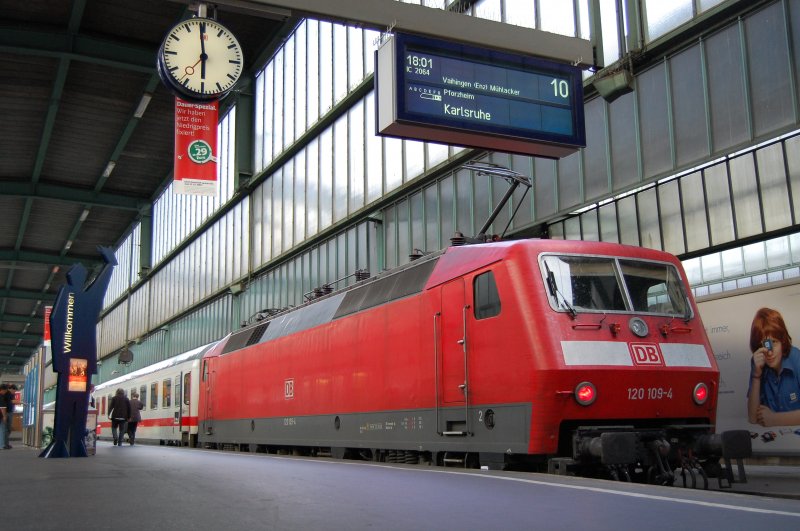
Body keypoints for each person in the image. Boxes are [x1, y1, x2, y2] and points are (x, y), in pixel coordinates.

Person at [747, 307, 800, 427]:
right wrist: (756, 376)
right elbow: (753, 418)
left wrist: (774, 419)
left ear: (783, 342)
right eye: (764, 345)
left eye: (774, 342)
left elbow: (770, 420)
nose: (769, 353)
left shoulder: (797, 359)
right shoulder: (758, 361)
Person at [0, 384, 12, 449]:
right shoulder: (1, 397)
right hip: (1, 415)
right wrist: (4, 416)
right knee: (3, 430)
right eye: (5, 391)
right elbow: (2, 407)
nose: (5, 392)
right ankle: (2, 445)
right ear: (2, 390)